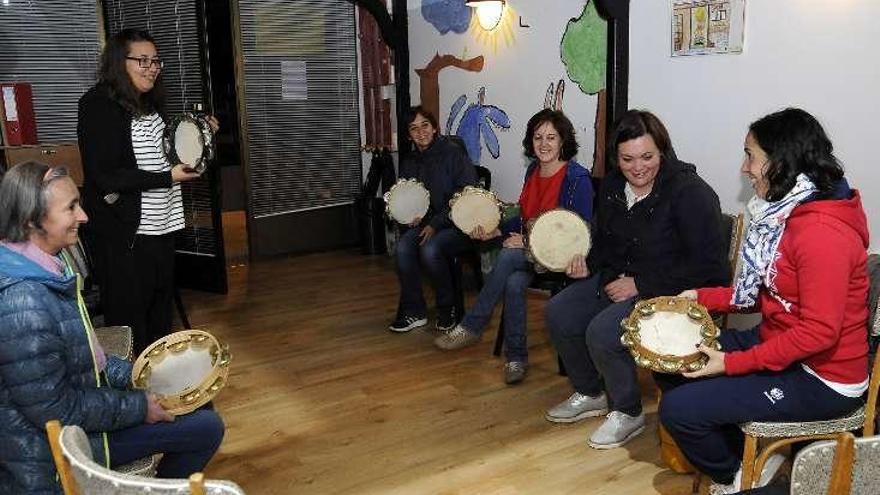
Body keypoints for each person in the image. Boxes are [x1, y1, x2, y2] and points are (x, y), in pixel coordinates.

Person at [658, 108, 870, 494]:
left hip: (822, 378)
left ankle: (739, 476)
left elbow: (820, 333)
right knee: (671, 360)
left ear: (781, 162)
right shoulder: (786, 213)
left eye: (751, 156)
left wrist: (733, 364)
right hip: (779, 344)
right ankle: (754, 459)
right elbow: (761, 291)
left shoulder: (822, 234)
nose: (744, 168)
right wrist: (700, 297)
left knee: (679, 411)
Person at [0, 162, 224, 494]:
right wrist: (139, 407)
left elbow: (88, 359)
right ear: (33, 221)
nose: (84, 216)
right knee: (207, 427)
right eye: (71, 208)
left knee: (195, 402)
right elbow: (56, 411)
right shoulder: (24, 303)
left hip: (80, 420)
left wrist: (140, 375)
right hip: (53, 455)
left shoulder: (43, 265)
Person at [543, 110, 729, 449]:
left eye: (647, 157)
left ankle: (627, 411)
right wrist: (588, 262)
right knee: (560, 312)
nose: (638, 167)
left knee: (602, 331)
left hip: (672, 292)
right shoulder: (614, 184)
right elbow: (604, 242)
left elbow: (711, 268)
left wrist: (642, 284)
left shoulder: (691, 193)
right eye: (627, 159)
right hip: (618, 281)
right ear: (617, 157)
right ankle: (590, 392)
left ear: (663, 151)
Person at [78, 28, 216, 354]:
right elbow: (106, 176)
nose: (152, 67)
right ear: (118, 62)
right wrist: (168, 178)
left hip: (162, 225)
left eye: (156, 61)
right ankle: (134, 395)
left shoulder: (148, 103)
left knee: (158, 315)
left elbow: (165, 154)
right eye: (142, 60)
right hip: (125, 234)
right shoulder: (98, 104)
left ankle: (158, 387)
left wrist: (200, 133)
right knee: (130, 321)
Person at [434, 109, 595, 385]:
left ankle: (473, 325)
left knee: (508, 256)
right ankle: (516, 358)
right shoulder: (533, 170)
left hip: (561, 259)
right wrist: (497, 230)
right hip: (529, 257)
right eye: (538, 137)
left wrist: (525, 241)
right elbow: (522, 218)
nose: (544, 144)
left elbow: (577, 234)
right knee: (513, 282)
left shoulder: (576, 179)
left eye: (551, 138)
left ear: (563, 141)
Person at [390, 106, 477, 333]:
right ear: (409, 135)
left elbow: (465, 196)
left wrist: (435, 224)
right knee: (402, 248)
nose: (421, 132)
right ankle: (415, 311)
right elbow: (406, 195)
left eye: (425, 125)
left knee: (430, 249)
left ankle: (447, 307)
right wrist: (408, 216)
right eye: (414, 129)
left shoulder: (453, 154)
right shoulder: (409, 161)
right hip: (425, 225)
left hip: (457, 224)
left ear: (435, 127)